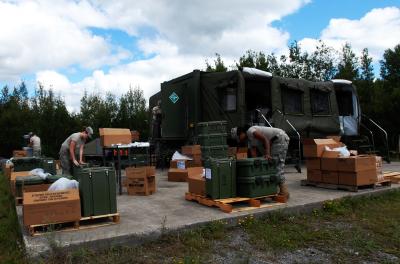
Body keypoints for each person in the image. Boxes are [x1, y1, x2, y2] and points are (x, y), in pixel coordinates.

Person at [235, 125, 290, 198]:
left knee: (276, 165)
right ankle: (275, 190)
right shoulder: (250, 139)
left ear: (241, 133)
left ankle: (284, 192)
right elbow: (253, 153)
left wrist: (267, 154)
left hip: (279, 138)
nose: (239, 140)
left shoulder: (250, 131)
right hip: (275, 140)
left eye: (238, 137)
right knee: (272, 165)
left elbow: (265, 139)